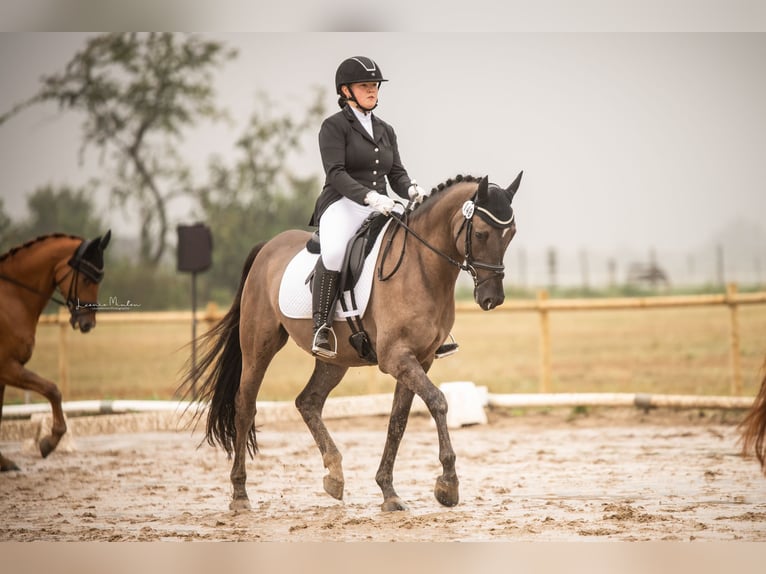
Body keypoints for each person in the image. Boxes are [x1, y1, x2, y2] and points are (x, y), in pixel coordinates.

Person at [308, 56, 456, 360]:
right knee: (335, 251)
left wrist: (412, 190)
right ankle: (321, 326)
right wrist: (370, 197)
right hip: (343, 204)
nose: (372, 90)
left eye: (375, 85)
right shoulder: (334, 127)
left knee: (416, 243)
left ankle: (430, 329)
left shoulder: (385, 129)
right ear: (346, 91)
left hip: (382, 205)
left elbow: (396, 173)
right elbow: (336, 173)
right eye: (365, 86)